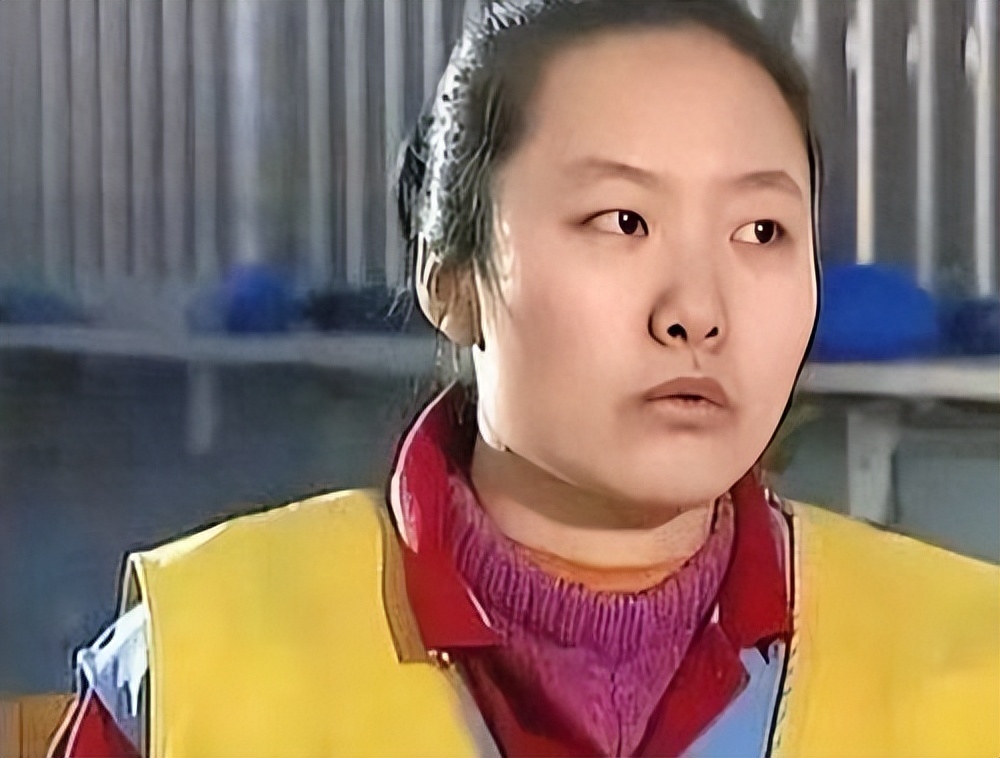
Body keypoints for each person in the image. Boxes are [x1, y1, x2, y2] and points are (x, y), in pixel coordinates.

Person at [51, 1, 999, 756]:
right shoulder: (204, 657)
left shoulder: (970, 658)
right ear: (452, 280)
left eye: (761, 231)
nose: (697, 310)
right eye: (622, 221)